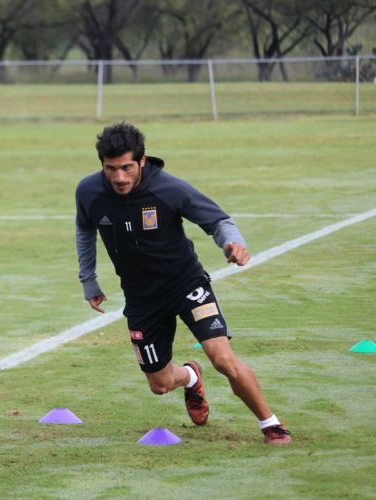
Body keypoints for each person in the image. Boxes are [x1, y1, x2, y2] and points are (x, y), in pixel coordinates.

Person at [75, 122, 290, 445]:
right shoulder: (88, 191)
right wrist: (89, 280)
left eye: (126, 168)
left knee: (222, 358)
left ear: (142, 161)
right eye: (111, 169)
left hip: (187, 286)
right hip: (141, 297)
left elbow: (218, 220)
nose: (119, 177)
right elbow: (84, 231)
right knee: (160, 385)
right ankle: (190, 376)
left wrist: (232, 243)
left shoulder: (169, 189)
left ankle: (271, 424)